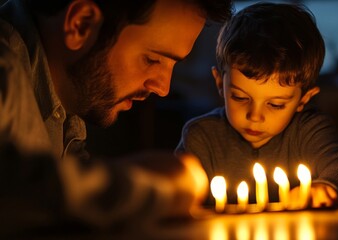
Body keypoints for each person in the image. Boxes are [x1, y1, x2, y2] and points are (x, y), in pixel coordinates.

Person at [0, 0, 232, 234]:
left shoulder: (67, 108)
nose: (162, 88)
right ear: (81, 24)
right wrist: (151, 184)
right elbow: (15, 193)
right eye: (152, 59)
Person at [175, 2, 338, 210]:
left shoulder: (308, 132)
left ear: (303, 99)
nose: (255, 116)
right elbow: (175, 192)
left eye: (276, 104)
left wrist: (326, 188)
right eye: (240, 98)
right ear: (219, 84)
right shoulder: (201, 138)